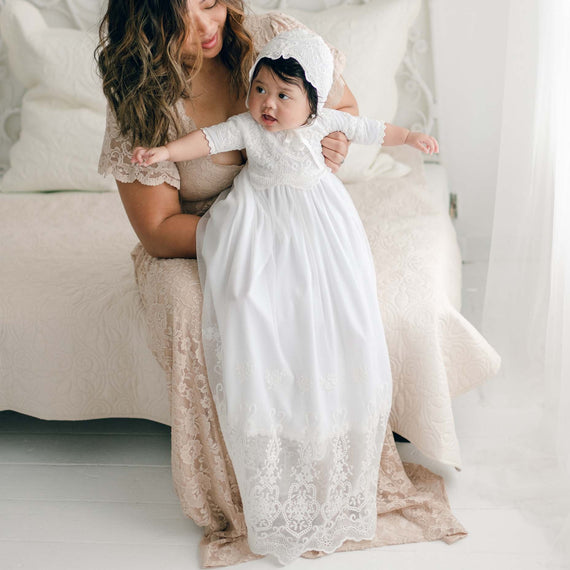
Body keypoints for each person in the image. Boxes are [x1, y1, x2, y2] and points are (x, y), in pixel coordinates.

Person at [97, 1, 466, 566]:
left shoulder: (276, 39)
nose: (207, 24)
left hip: (297, 217)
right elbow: (158, 230)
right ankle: (245, 488)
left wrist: (334, 145)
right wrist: (253, 242)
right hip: (199, 238)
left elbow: (341, 108)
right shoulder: (141, 96)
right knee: (192, 306)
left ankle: (327, 453)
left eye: (212, 2)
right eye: (183, 15)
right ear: (146, 22)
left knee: (326, 294)